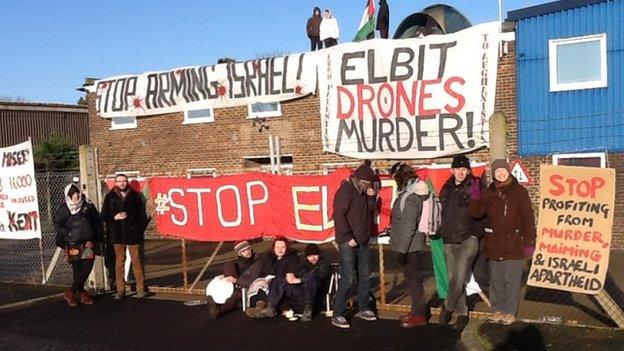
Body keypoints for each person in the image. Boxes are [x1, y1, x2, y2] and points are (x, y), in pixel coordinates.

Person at [469, 159, 536, 325]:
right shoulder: (489, 192)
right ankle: (497, 310)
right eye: (497, 171)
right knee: (496, 280)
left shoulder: (519, 192)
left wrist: (529, 242)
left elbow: (528, 218)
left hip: (514, 243)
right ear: (494, 174)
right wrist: (476, 196)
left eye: (503, 170)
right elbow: (476, 213)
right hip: (494, 244)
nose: (500, 173)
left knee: (511, 280)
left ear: (508, 171)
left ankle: (509, 312)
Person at [438, 155, 484, 330]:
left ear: (468, 171)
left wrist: (475, 234)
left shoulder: (474, 185)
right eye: (458, 169)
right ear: (452, 170)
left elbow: (481, 208)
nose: (461, 172)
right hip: (449, 239)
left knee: (459, 277)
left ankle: (448, 308)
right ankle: (463, 313)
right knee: (452, 279)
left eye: (464, 169)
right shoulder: (446, 188)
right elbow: (441, 211)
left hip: (467, 238)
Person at [331, 163, 377, 329]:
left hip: (362, 240)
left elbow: (368, 213)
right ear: (361, 181)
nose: (369, 187)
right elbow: (338, 215)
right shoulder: (346, 191)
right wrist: (348, 236)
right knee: (348, 277)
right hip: (348, 241)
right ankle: (338, 313)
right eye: (368, 184)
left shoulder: (363, 193)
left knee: (365, 276)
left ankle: (364, 308)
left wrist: (371, 198)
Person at [389, 164, 429, 328]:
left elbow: (408, 227)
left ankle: (420, 314)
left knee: (414, 282)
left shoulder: (410, 197)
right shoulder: (410, 193)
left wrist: (402, 251)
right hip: (411, 246)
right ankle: (416, 311)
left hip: (410, 247)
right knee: (413, 281)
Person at [53, 184, 102, 306]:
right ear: (68, 196)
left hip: (87, 242)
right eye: (73, 195)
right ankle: (82, 294)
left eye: (77, 194)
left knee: (87, 267)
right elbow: (58, 224)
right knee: (77, 269)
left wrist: (96, 235)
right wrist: (67, 234)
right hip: (72, 243)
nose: (76, 197)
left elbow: (96, 220)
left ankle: (70, 292)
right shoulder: (63, 208)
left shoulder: (87, 205)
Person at [101, 174, 148, 300]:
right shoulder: (110, 197)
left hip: (133, 234)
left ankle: (141, 288)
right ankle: (120, 289)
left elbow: (142, 215)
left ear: (127, 182)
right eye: (119, 181)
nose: (122, 183)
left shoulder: (136, 196)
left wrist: (138, 228)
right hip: (118, 234)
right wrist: (114, 218)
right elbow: (104, 215)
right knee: (119, 261)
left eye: (124, 181)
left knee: (136, 261)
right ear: (115, 183)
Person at [249, 237, 318, 321]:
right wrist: (267, 278)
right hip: (272, 288)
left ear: (287, 248)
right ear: (273, 248)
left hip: (290, 291)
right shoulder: (269, 260)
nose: (279, 250)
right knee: (261, 284)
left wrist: (295, 279)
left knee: (277, 279)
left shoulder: (293, 260)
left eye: (283, 247)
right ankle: (265, 307)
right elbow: (262, 273)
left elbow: (294, 275)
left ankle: (269, 307)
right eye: (277, 247)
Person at [206, 240, 263, 319]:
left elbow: (253, 280)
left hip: (247, 286)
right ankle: (216, 301)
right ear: (239, 253)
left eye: (248, 249)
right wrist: (223, 276)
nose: (247, 252)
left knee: (236, 295)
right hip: (235, 284)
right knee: (229, 265)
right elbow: (231, 272)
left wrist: (236, 280)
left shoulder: (257, 262)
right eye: (244, 251)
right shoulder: (238, 262)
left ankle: (219, 311)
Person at [299, 243, 331, 315]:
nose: (312, 258)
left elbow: (320, 275)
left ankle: (308, 307)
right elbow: (299, 273)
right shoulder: (304, 265)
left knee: (311, 279)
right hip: (305, 292)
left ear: (319, 254)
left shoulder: (324, 263)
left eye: (314, 255)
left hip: (319, 293)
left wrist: (300, 280)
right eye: (310, 256)